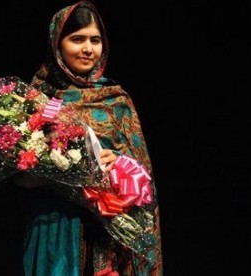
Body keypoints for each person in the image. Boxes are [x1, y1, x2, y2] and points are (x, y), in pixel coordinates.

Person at [15, 1, 163, 275]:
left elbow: (142, 172)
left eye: (95, 40)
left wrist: (118, 164)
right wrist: (31, 174)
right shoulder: (34, 98)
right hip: (53, 226)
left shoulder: (116, 99)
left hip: (107, 228)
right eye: (77, 39)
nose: (87, 49)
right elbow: (15, 174)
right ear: (57, 43)